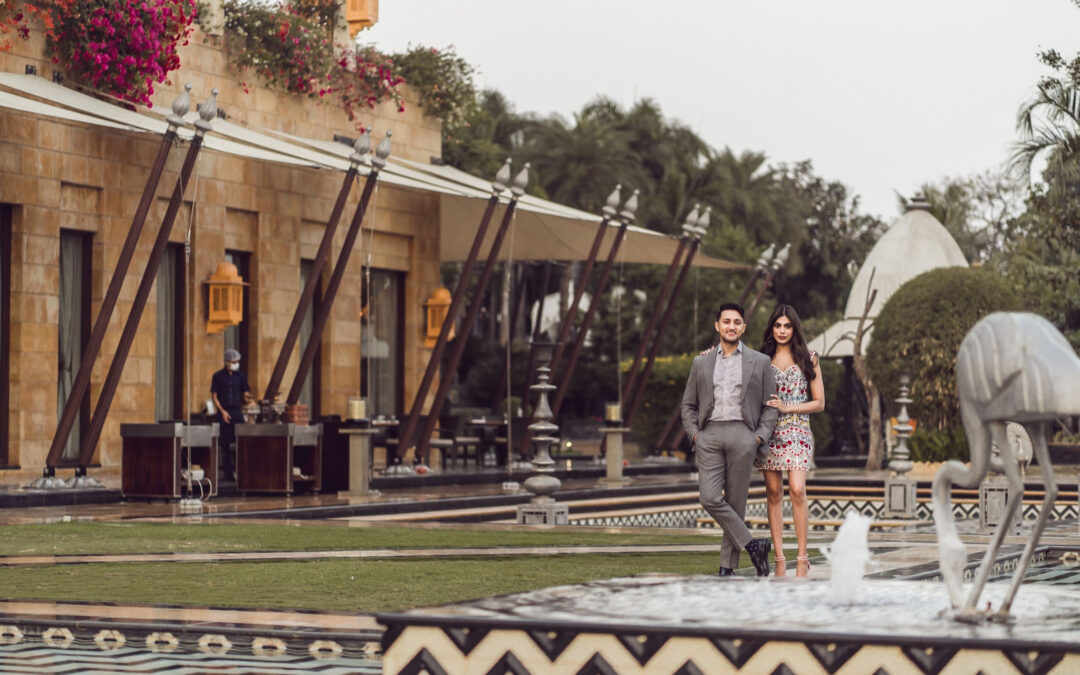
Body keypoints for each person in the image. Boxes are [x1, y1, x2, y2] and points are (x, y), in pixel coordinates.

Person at [681, 302, 778, 576]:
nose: (731, 326)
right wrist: (695, 435)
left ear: (743, 327)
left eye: (737, 322)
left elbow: (770, 405)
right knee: (709, 497)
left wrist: (758, 437)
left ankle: (727, 567)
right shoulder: (701, 362)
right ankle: (753, 544)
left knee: (736, 502)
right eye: (726, 322)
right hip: (709, 434)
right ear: (718, 326)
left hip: (743, 435)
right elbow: (688, 405)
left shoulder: (759, 362)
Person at [755, 304, 825, 577]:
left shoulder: (809, 358)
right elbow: (731, 360)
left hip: (797, 430)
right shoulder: (761, 358)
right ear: (772, 328)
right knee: (773, 494)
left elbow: (819, 403)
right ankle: (780, 559)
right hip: (769, 431)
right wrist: (709, 354)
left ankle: (802, 557)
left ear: (794, 328)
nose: (782, 331)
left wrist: (788, 407)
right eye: (778, 325)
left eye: (787, 326)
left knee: (796, 489)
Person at [211, 348, 251, 481]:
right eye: (233, 361)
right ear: (227, 361)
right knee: (225, 443)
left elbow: (245, 392)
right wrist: (222, 411)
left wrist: (249, 400)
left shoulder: (240, 376)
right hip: (224, 411)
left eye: (237, 362)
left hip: (237, 411)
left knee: (242, 441)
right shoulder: (217, 376)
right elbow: (214, 396)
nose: (235, 364)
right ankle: (228, 473)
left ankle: (242, 471)